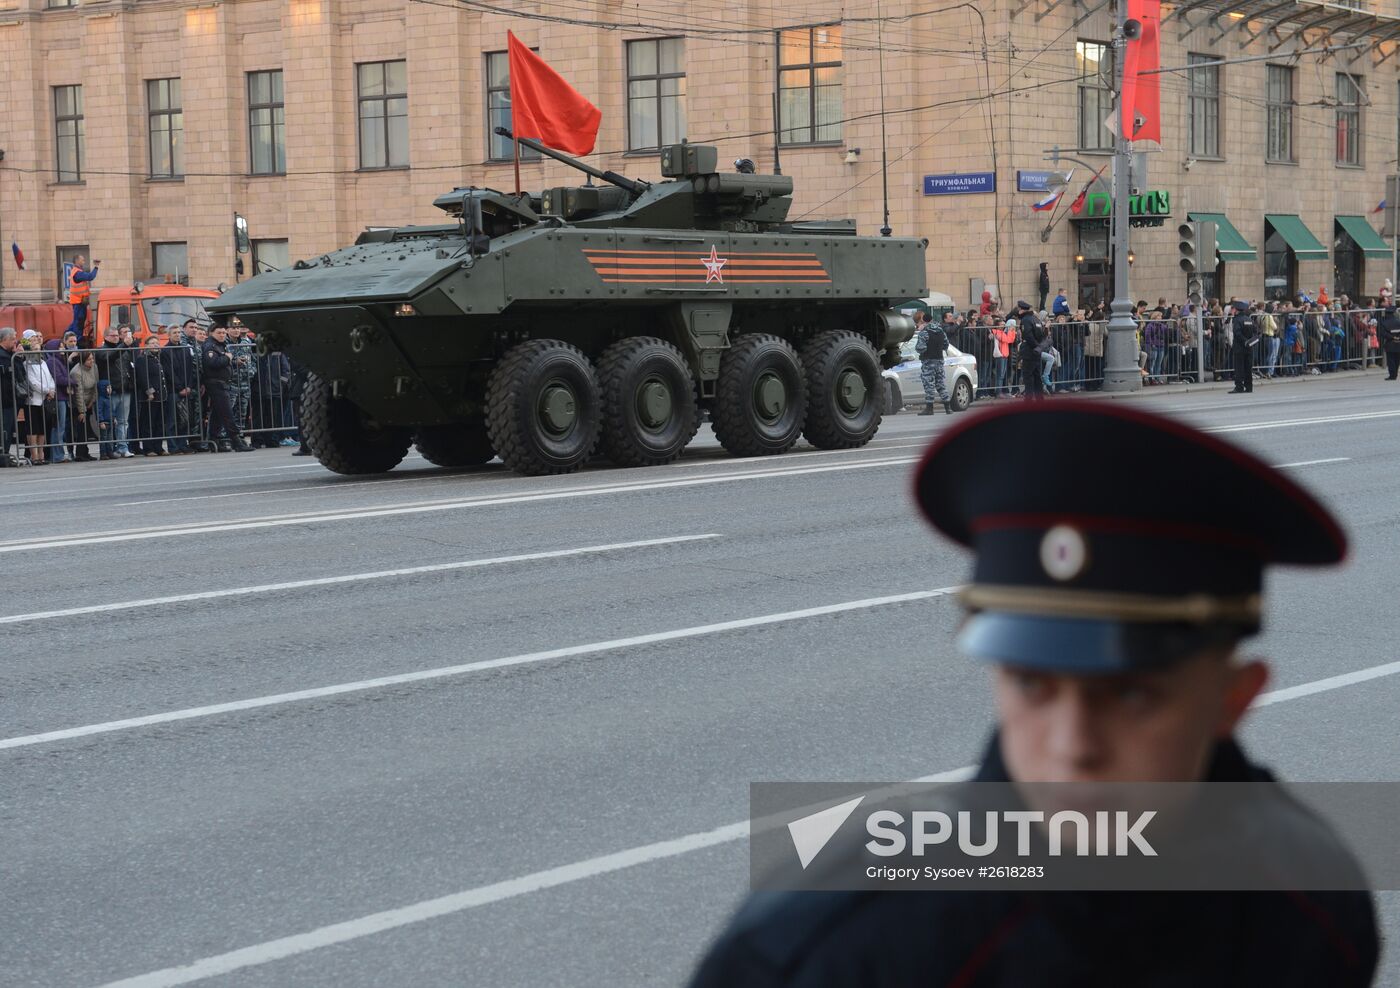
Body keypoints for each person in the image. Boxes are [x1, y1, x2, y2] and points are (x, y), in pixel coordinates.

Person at [688, 400, 1379, 988]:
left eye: (1133, 695)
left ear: (1234, 698)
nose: (1073, 746)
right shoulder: (833, 946)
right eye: (1031, 683)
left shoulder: (1311, 905)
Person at [202, 325, 251, 452]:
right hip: (216, 384)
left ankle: (215, 441)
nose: (222, 335)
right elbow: (213, 363)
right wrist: (227, 357)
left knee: (218, 414)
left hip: (222, 383)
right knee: (227, 413)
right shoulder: (210, 346)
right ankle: (237, 442)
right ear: (211, 333)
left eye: (224, 332)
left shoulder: (220, 345)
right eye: (219, 332)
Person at [19, 330, 56, 464]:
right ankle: (33, 455)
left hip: (45, 399)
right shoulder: (26, 363)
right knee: (33, 429)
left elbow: (50, 378)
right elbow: (33, 381)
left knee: (42, 429)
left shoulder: (43, 363)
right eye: (32, 339)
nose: (36, 342)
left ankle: (41, 454)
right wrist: (47, 390)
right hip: (33, 399)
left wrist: (52, 389)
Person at [162, 320, 197, 453]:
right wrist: (180, 388)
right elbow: (169, 372)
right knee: (172, 420)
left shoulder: (185, 349)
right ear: (169, 335)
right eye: (174, 333)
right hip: (173, 391)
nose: (177, 335)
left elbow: (189, 370)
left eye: (178, 332)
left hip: (186, 389)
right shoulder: (165, 351)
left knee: (184, 419)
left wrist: (189, 386)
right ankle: (173, 446)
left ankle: (183, 444)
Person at [42, 333, 75, 462]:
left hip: (63, 397)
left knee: (60, 427)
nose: (63, 348)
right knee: (58, 428)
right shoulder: (52, 361)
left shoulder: (60, 361)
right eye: (60, 346)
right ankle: (57, 455)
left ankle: (59, 454)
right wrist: (72, 382)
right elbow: (60, 379)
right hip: (58, 398)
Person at [134, 334, 169, 456]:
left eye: (157, 343)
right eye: (152, 343)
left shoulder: (157, 358)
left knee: (159, 423)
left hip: (161, 395)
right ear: (146, 346)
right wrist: (150, 391)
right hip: (150, 396)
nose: (155, 345)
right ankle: (148, 448)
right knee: (148, 423)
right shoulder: (142, 359)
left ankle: (158, 447)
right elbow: (143, 377)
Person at [914, 311, 951, 416]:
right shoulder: (940, 331)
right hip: (939, 360)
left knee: (929, 385)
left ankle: (929, 408)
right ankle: (948, 407)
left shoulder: (924, 332)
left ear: (923, 321)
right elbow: (946, 344)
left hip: (928, 361)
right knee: (940, 384)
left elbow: (920, 348)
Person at [68, 349, 99, 461]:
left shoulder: (94, 367)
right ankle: (80, 453)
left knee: (87, 428)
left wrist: (92, 401)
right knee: (81, 428)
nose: (92, 361)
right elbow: (79, 393)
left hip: (89, 399)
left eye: (92, 358)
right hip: (78, 402)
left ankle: (85, 452)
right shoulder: (76, 372)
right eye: (89, 359)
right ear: (82, 360)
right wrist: (82, 411)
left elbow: (96, 385)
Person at [1015, 301, 1047, 400]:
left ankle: (1028, 400)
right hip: (1036, 351)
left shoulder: (1026, 320)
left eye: (1019, 309)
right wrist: (1038, 347)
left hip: (1029, 351)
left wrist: (1034, 346)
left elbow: (1028, 336)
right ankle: (1039, 399)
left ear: (1022, 310)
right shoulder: (1036, 319)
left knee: (1028, 377)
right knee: (1037, 376)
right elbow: (1041, 335)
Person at [0, 327, 23, 466]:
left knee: (8, 429)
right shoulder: (3, 356)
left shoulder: (9, 354)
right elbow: (15, 372)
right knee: (5, 429)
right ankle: (3, 456)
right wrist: (17, 357)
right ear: (4, 339)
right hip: (4, 398)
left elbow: (20, 373)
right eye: (13, 339)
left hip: (10, 398)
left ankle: (6, 454)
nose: (15, 341)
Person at [65, 255, 100, 340]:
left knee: (77, 322)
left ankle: (68, 337)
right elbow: (90, 277)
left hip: (79, 302)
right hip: (78, 302)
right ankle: (75, 340)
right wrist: (96, 266)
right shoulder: (78, 273)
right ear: (77, 261)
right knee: (78, 323)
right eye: (82, 260)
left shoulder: (77, 271)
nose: (84, 261)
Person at [1229, 301, 1257, 394]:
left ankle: (1239, 387)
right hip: (1249, 347)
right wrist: (1250, 341)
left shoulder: (1237, 320)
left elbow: (1237, 333)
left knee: (1239, 368)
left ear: (1236, 310)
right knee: (1248, 367)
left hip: (1240, 347)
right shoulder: (1249, 319)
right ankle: (1249, 387)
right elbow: (1256, 331)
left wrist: (1245, 341)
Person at [1379, 304, 1400, 380]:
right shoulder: (1398, 321)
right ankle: (1395, 374)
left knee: (1391, 360)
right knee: (1397, 360)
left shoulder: (1384, 323)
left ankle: (1392, 375)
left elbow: (1383, 333)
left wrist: (1392, 337)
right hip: (1398, 343)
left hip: (1390, 343)